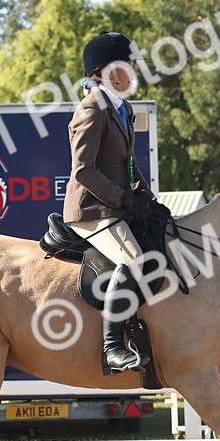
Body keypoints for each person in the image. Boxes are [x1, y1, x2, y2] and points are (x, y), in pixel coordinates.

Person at [63, 31, 156, 374]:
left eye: (132, 63)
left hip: (116, 206)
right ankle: (112, 348)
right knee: (133, 259)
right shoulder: (91, 110)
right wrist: (123, 199)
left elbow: (129, 162)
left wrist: (146, 196)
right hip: (91, 209)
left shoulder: (121, 108)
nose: (132, 69)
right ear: (101, 72)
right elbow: (83, 171)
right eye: (125, 64)